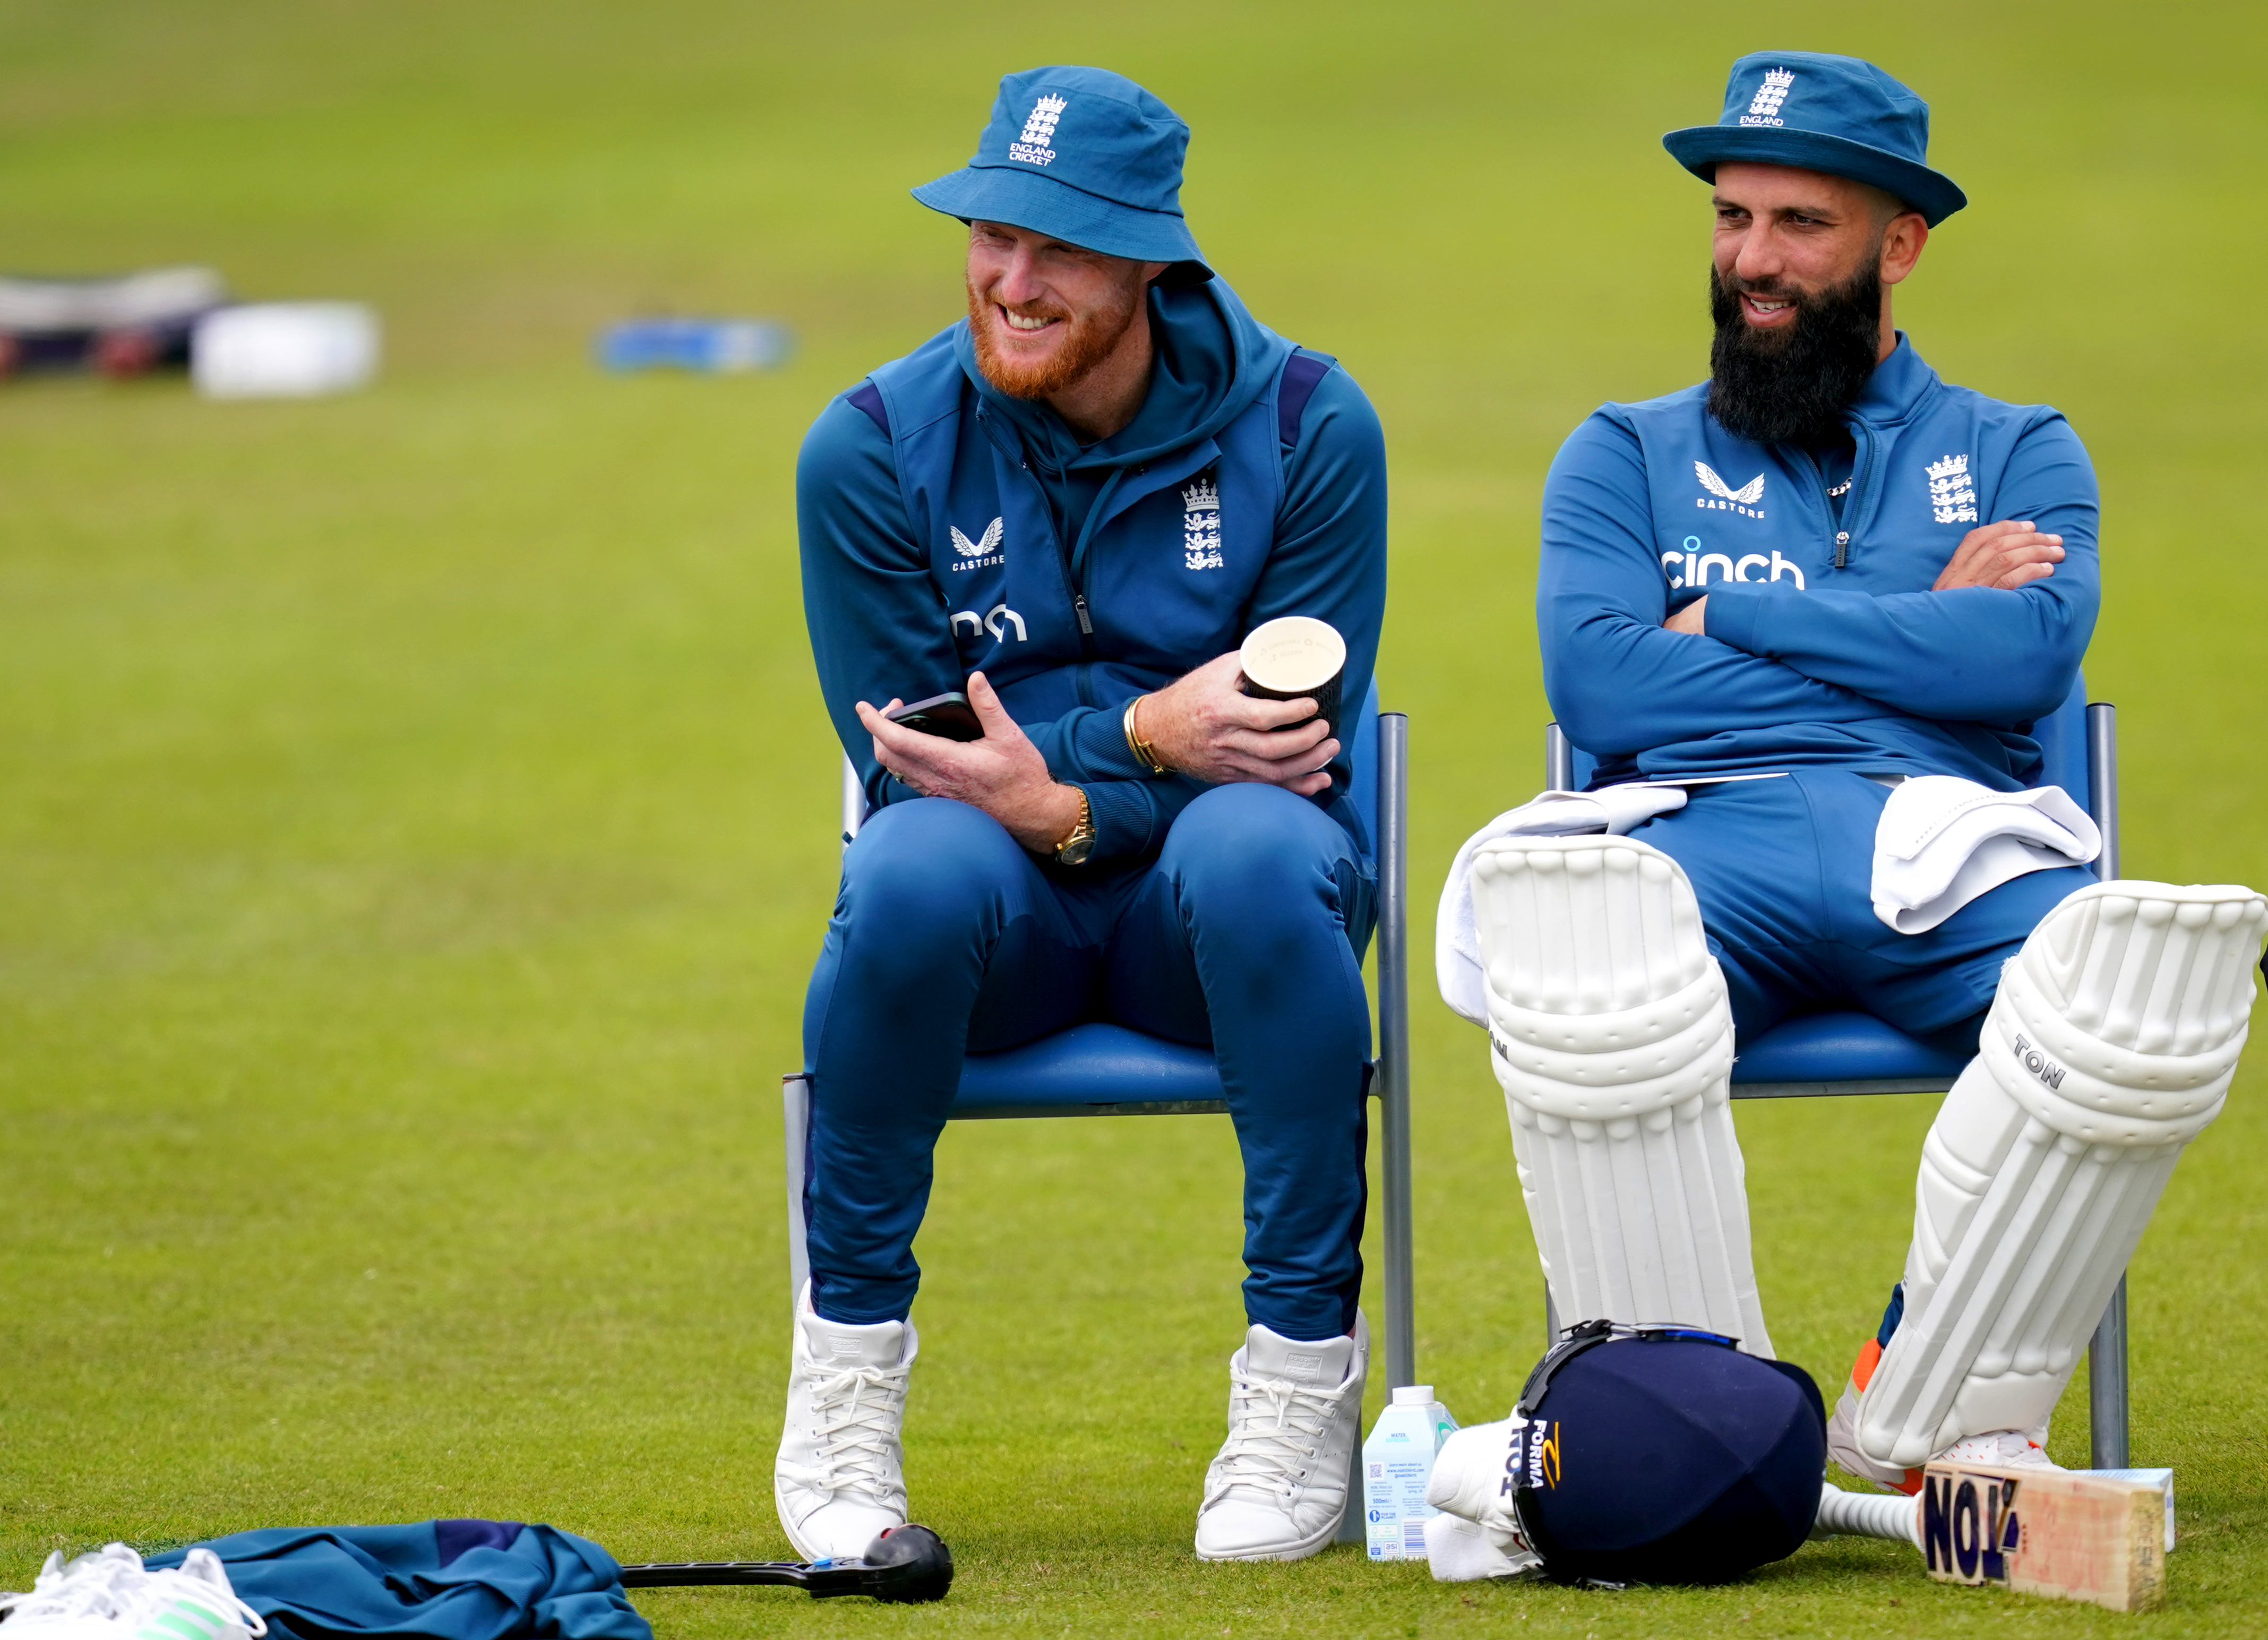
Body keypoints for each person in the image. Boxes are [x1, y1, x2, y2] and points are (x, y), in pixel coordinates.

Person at [1440, 47, 2264, 1536]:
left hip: (1953, 844)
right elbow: (1606, 687)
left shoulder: (2017, 447)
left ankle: (1927, 1411)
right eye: (1732, 217)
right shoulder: (1624, 451)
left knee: (2150, 986)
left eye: (1800, 224)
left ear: (1901, 245)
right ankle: (1694, 1440)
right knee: (1579, 956)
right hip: (1703, 841)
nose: (1753, 260)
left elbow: (2027, 657)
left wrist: (1740, 617)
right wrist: (1922, 632)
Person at [785, 65, 1388, 1564]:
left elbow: (1288, 745)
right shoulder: (866, 446)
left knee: (1259, 848)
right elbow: (916, 757)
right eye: (992, 236)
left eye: (1057, 248)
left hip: (1219, 930)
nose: (1011, 280)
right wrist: (1141, 734)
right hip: (992, 927)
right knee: (912, 869)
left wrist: (1054, 794)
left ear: (1148, 265)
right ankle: (843, 1381)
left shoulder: (1310, 424)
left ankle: (1299, 1379)